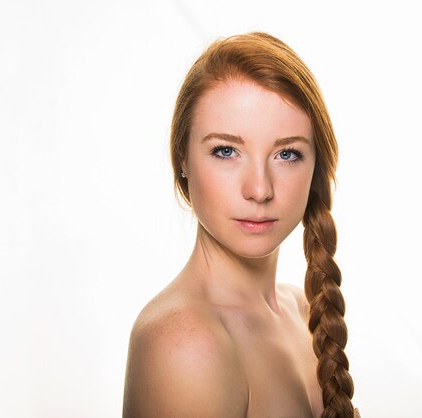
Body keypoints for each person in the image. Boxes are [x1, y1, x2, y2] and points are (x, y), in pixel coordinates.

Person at [123, 32, 359, 418]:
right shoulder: (184, 344)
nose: (260, 189)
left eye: (287, 153)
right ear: (182, 157)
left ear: (317, 163)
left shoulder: (302, 310)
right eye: (226, 151)